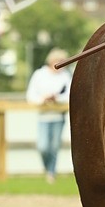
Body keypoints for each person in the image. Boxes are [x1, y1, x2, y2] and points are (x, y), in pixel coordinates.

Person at [26, 48, 71, 183]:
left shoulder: (65, 76)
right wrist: (43, 99)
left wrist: (57, 98)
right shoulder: (39, 75)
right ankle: (48, 169)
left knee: (54, 146)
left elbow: (69, 94)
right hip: (43, 116)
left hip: (58, 116)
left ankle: (51, 173)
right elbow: (31, 95)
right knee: (43, 146)